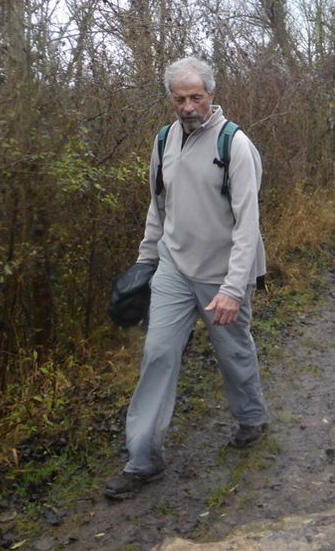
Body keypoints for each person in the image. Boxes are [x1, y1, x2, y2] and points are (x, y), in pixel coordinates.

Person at [105, 57, 269, 500]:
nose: (188, 106)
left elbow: (247, 223)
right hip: (173, 269)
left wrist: (234, 289)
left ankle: (251, 418)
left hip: (223, 273)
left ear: (212, 95)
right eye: (180, 99)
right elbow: (158, 208)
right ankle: (143, 459)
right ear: (171, 100)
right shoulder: (162, 142)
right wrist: (145, 263)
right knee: (157, 353)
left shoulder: (234, 145)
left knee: (233, 351)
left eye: (196, 97)